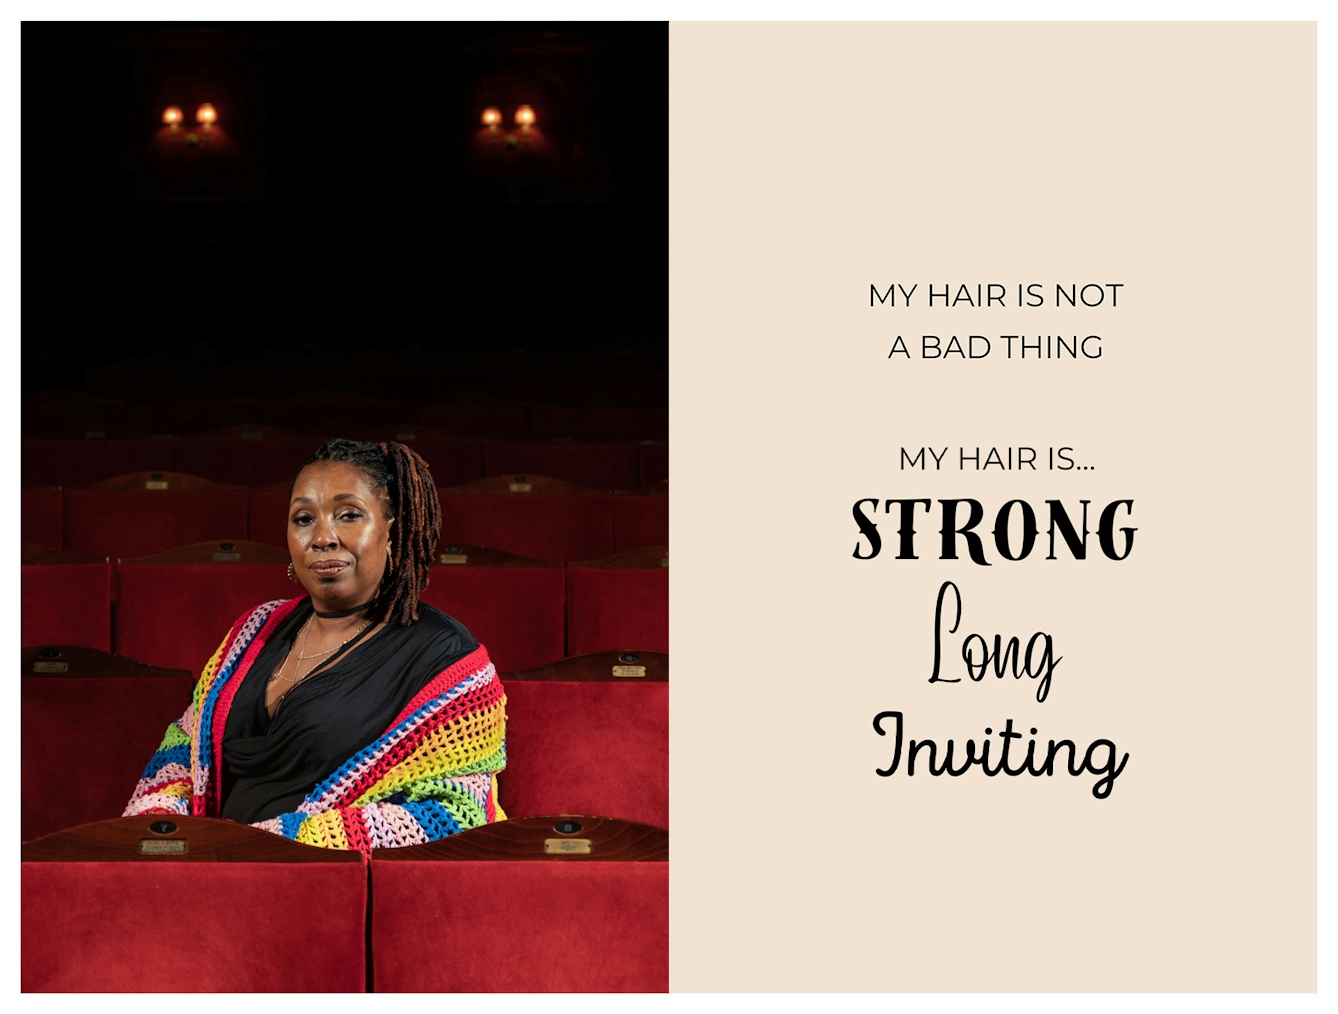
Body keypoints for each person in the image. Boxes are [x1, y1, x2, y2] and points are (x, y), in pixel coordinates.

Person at [123, 439, 506, 850]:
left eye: (349, 515)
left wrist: (273, 843)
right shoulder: (255, 629)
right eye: (304, 518)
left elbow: (457, 813)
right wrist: (158, 822)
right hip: (206, 865)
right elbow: (186, 741)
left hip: (327, 882)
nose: (322, 537)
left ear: (392, 531)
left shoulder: (447, 657)